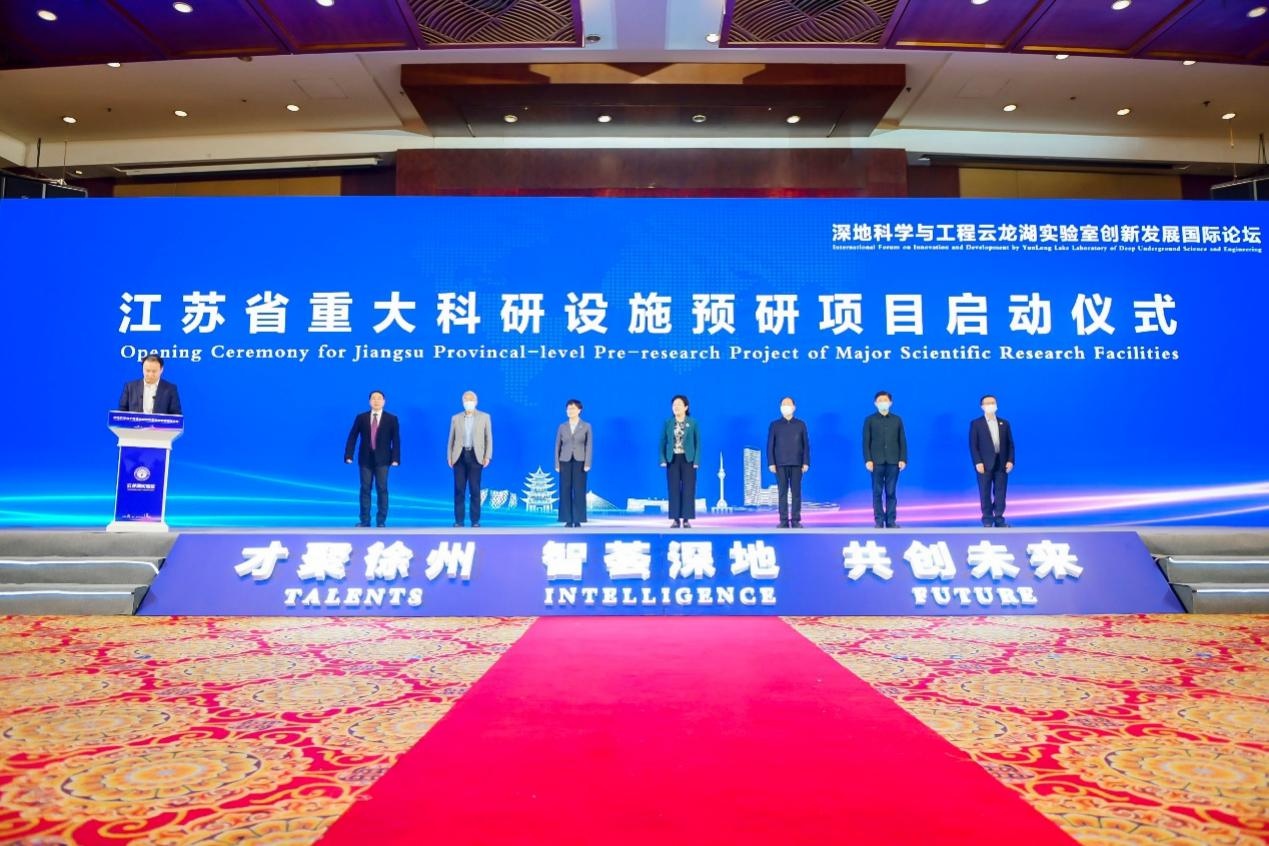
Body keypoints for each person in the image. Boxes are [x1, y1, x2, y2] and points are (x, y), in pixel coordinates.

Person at [344, 390, 400, 528]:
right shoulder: (361, 417)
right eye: (373, 398)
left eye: (379, 398)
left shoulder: (391, 419)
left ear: (384, 401)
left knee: (382, 489)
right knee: (365, 489)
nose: (376, 401)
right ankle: (365, 520)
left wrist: (396, 458)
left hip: (384, 460)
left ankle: (381, 521)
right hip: (365, 459)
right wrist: (349, 455)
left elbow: (396, 440)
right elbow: (352, 436)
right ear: (369, 401)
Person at [863, 390, 907, 529]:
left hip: (893, 461)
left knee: (891, 492)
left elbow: (902, 441)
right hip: (876, 461)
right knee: (877, 492)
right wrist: (868, 459)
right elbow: (866, 442)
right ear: (875, 403)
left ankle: (891, 521)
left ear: (890, 403)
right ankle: (879, 520)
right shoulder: (870, 420)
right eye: (880, 400)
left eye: (885, 400)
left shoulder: (897, 420)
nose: (883, 403)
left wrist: (903, 458)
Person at [448, 390, 492, 527]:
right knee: (459, 489)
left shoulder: (484, 417)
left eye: (471, 399)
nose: (469, 402)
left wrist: (487, 456)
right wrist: (449, 456)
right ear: (462, 402)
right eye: (466, 400)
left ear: (476, 402)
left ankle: (475, 520)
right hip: (459, 457)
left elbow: (488, 438)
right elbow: (451, 439)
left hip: (476, 456)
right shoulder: (456, 418)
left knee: (475, 489)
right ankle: (459, 520)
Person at [970, 394, 1015, 528]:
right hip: (984, 464)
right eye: (987, 403)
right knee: (985, 492)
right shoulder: (976, 424)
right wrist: (977, 462)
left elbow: (1010, 444)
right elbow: (973, 445)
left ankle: (999, 519)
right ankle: (987, 519)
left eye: (993, 403)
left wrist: (1010, 460)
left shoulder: (1004, 423)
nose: (991, 405)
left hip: (1001, 463)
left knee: (1001, 493)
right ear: (982, 406)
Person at [767, 396, 810, 528]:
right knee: (782, 493)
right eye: (783, 404)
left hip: (797, 463)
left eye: (788, 404)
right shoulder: (775, 425)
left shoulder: (801, 424)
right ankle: (783, 520)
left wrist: (806, 462)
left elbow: (806, 445)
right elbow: (770, 445)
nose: (786, 406)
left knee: (796, 493)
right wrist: (771, 462)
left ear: (794, 407)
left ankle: (796, 520)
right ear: (780, 407)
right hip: (780, 464)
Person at [659, 394, 700, 529]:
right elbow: (662, 442)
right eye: (674, 405)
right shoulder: (668, 423)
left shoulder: (693, 423)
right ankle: (675, 519)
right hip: (672, 459)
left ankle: (686, 519)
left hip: (688, 459)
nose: (676, 407)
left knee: (688, 489)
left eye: (679, 405)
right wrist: (663, 459)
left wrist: (696, 460)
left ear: (686, 407)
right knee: (673, 489)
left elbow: (698, 443)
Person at [555, 399, 593, 528]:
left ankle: (578, 519)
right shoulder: (562, 426)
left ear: (579, 410)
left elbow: (589, 445)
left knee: (579, 490)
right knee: (565, 489)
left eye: (573, 408)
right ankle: (567, 519)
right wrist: (557, 464)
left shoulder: (586, 426)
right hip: (564, 460)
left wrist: (587, 462)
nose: (570, 411)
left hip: (580, 461)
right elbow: (557, 446)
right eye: (568, 409)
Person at [118, 354, 182, 415]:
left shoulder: (170, 389)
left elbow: (176, 415)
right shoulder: (130, 387)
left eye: (154, 371)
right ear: (142, 369)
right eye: (147, 371)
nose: (150, 374)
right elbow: (121, 413)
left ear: (161, 370)